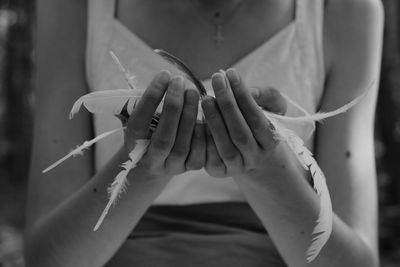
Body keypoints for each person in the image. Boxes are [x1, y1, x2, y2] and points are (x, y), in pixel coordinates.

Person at [25, 0, 383, 266]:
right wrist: (141, 171)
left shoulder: (346, 11)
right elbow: (47, 258)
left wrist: (271, 176)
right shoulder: (73, 8)